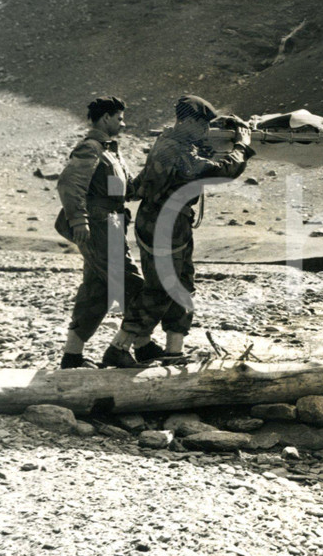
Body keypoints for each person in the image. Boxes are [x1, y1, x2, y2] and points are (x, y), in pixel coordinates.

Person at [101, 95, 254, 367]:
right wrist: (242, 146)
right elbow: (221, 171)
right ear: (188, 122)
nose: (205, 130)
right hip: (164, 224)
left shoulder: (171, 141)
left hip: (169, 222)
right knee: (162, 288)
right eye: (202, 124)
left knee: (182, 285)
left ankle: (173, 351)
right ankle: (119, 346)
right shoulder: (176, 150)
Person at [55, 96, 144, 369]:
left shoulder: (110, 152)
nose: (123, 124)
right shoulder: (91, 148)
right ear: (106, 118)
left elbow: (127, 191)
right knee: (133, 285)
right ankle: (127, 347)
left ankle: (72, 357)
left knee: (98, 290)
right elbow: (70, 184)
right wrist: (79, 220)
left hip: (112, 224)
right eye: (119, 118)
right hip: (100, 226)